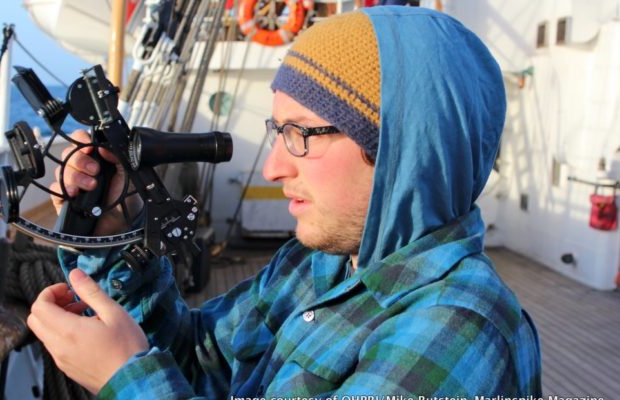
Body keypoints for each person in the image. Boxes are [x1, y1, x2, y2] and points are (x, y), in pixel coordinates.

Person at [27, 6, 542, 398]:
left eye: (301, 133)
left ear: (405, 150)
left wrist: (127, 379)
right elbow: (199, 361)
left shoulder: (460, 327)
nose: (274, 167)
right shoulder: (314, 263)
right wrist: (114, 225)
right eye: (278, 130)